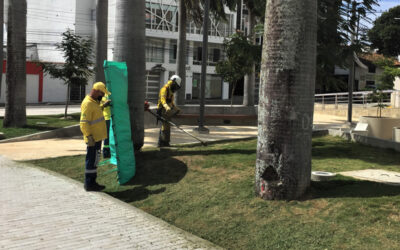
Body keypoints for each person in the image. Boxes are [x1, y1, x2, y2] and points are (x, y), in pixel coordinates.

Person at [80, 82, 110, 191]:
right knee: (91, 160)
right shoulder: (88, 103)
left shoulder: (94, 103)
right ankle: (89, 184)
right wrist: (88, 136)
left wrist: (103, 106)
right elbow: (83, 122)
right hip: (93, 138)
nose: (102, 96)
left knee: (95, 160)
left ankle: (93, 182)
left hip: (97, 138)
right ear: (96, 91)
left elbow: (95, 113)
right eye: (102, 93)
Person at [157, 75, 182, 147]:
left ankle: (166, 142)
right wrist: (166, 107)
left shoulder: (171, 92)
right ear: (173, 82)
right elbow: (162, 100)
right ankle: (161, 143)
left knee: (168, 126)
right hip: (162, 110)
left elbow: (172, 103)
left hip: (167, 111)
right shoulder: (164, 89)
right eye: (176, 86)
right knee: (164, 126)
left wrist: (176, 109)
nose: (176, 89)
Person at [100, 94, 112, 158]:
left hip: (106, 118)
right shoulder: (108, 95)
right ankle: (106, 152)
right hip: (108, 118)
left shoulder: (103, 95)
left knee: (107, 136)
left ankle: (106, 152)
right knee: (108, 136)